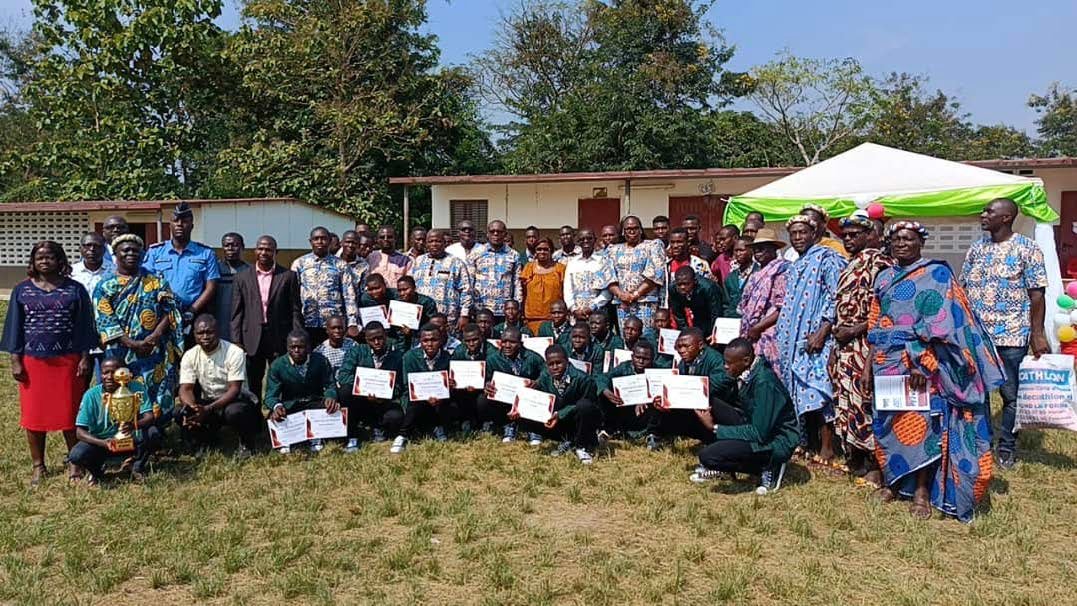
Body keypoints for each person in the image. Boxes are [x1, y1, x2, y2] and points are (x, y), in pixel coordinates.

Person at [866, 221, 1004, 522]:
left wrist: (922, 361)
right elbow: (875, 324)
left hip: (921, 365)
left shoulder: (937, 275)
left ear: (921, 242)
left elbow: (944, 326)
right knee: (889, 423)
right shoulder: (883, 277)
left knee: (923, 426)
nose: (902, 243)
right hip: (886, 362)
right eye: (896, 239)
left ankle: (922, 492)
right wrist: (868, 365)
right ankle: (894, 482)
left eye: (909, 239)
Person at [960, 198, 1049, 470]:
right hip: (977, 336)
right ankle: (983, 443)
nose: (983, 214)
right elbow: (963, 290)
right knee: (979, 393)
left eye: (989, 211)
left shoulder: (1027, 249)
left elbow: (1037, 295)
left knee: (1011, 395)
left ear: (1006, 217)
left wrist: (1038, 334)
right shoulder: (977, 249)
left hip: (1011, 334)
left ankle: (1007, 446)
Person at [2, 241, 97, 485]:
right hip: (33, 362)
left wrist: (85, 358)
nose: (44, 261)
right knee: (34, 416)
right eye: (39, 257)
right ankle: (38, 466)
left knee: (70, 415)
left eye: (50, 257)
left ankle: (75, 464)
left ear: (60, 261)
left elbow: (85, 327)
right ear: (33, 262)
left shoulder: (75, 290)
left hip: (68, 361)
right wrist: (15, 361)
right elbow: (14, 327)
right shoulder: (21, 291)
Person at [826, 212, 893, 485]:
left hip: (868, 345)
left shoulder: (880, 263)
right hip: (844, 347)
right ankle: (857, 459)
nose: (849, 239)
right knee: (847, 402)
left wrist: (854, 330)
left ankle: (877, 465)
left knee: (867, 402)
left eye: (855, 235)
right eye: (846, 235)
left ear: (870, 236)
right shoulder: (848, 265)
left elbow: (886, 311)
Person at [775, 215, 846, 465]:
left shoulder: (828, 258)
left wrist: (823, 330)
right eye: (793, 234)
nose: (797, 238)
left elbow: (836, 296)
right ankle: (807, 443)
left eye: (802, 233)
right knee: (800, 390)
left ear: (815, 233)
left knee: (819, 389)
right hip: (793, 339)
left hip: (816, 337)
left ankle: (828, 449)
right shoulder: (796, 264)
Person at [688, 338, 799, 494]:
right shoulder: (746, 372)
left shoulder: (764, 383)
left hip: (776, 440)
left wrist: (715, 428)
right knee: (707, 401)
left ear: (746, 361)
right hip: (754, 424)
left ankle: (769, 465)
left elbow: (759, 433)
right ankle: (726, 463)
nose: (725, 366)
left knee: (708, 457)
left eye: (728, 363)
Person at [94, 235, 184, 420]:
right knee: (123, 389)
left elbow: (171, 310)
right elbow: (104, 319)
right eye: (125, 250)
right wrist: (132, 343)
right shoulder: (105, 285)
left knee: (157, 390)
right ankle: (126, 432)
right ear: (116, 254)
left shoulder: (156, 281)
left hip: (155, 349)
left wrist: (155, 336)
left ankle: (157, 433)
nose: (131, 254)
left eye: (135, 250)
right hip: (121, 352)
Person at [176, 315, 263, 455]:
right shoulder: (189, 355)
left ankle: (247, 443)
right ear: (194, 335)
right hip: (208, 401)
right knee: (180, 412)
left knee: (235, 412)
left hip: (235, 400)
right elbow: (185, 388)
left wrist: (207, 409)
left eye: (209, 332)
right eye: (200, 333)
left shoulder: (235, 352)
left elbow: (234, 389)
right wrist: (193, 409)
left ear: (218, 332)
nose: (205, 336)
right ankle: (203, 441)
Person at [230, 235, 304, 399]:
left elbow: (295, 309)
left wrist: (297, 335)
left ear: (275, 252)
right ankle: (256, 421)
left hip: (279, 336)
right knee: (254, 382)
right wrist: (236, 341)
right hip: (251, 338)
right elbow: (236, 312)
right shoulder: (241, 277)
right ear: (255, 251)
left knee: (283, 379)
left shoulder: (288, 276)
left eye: (268, 249)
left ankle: (281, 417)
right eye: (261, 248)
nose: (264, 252)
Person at [69, 358, 161, 484]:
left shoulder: (136, 388)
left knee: (153, 433)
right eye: (105, 372)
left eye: (114, 372)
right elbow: (79, 432)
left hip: (129, 438)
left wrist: (133, 425)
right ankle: (97, 471)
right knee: (76, 455)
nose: (109, 377)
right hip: (102, 443)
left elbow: (149, 416)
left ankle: (136, 466)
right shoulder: (91, 395)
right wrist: (103, 442)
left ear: (124, 372)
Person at [143, 202, 220, 347]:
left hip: (192, 316)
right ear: (169, 225)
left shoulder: (205, 253)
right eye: (175, 221)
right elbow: (146, 283)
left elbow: (211, 287)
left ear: (192, 225)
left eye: (184, 221)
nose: (179, 224)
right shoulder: (155, 252)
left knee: (193, 359)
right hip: (161, 316)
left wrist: (191, 311)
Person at [521, 345, 602, 464]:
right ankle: (568, 441)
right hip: (558, 422)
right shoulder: (545, 377)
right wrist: (521, 410)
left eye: (558, 363)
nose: (555, 367)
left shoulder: (583, 379)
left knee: (584, 406)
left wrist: (561, 414)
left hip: (580, 421)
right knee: (524, 416)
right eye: (550, 364)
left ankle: (582, 446)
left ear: (567, 361)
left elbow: (591, 405)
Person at [264, 330, 339, 454]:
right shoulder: (278, 365)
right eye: (293, 347)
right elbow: (270, 396)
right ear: (287, 347)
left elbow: (330, 384)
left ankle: (317, 437)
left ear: (308, 347)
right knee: (274, 418)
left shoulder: (320, 361)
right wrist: (277, 406)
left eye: (301, 347)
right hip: (290, 405)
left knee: (334, 409)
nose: (297, 350)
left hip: (315, 403)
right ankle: (290, 440)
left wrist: (331, 397)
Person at [337, 322, 405, 445]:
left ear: (386, 336)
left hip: (384, 401)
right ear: (366, 339)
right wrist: (363, 388)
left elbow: (400, 385)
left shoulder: (397, 357)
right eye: (372, 339)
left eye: (380, 338)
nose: (377, 342)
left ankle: (379, 428)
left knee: (396, 417)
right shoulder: (357, 352)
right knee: (345, 391)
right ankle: (353, 432)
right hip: (362, 400)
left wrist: (385, 395)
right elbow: (343, 375)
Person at [291, 226, 360, 345]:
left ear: (329, 241)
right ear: (310, 241)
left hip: (333, 324)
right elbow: (292, 295)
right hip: (307, 322)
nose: (320, 242)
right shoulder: (299, 264)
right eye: (316, 239)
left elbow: (349, 295)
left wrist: (352, 322)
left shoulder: (341, 265)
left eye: (323, 239)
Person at [394, 324, 456, 453]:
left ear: (441, 341)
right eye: (425, 340)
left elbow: (450, 385)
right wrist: (424, 396)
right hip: (417, 400)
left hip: (440, 401)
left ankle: (438, 428)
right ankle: (402, 435)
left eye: (434, 340)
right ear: (420, 341)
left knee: (449, 404)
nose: (430, 344)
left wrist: (450, 386)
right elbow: (407, 385)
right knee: (414, 404)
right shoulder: (409, 357)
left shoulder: (448, 358)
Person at [479, 326, 545, 441]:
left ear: (520, 343)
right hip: (504, 400)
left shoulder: (533, 357)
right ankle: (507, 425)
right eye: (504, 341)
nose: (507, 345)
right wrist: (487, 385)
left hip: (527, 400)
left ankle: (533, 428)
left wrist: (537, 382)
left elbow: (546, 373)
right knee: (482, 400)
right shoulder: (493, 359)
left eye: (512, 342)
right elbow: (486, 379)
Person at [738, 229, 789, 374]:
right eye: (755, 250)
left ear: (773, 249)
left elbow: (782, 307)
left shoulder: (781, 271)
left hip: (770, 329)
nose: (758, 253)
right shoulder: (757, 274)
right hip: (753, 331)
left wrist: (758, 327)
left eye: (762, 249)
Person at [596, 340, 664, 447]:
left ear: (652, 359)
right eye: (638, 357)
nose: (641, 361)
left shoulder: (659, 371)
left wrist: (646, 398)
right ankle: (609, 429)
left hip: (647, 413)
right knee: (603, 394)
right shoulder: (624, 367)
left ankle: (652, 434)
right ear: (632, 357)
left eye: (645, 359)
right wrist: (605, 390)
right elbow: (602, 378)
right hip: (626, 410)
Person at [607, 215, 666, 333]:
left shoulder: (652, 246)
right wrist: (620, 294)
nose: (632, 231)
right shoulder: (613, 250)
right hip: (623, 303)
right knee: (627, 338)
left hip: (646, 302)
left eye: (635, 228)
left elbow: (656, 273)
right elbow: (608, 275)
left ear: (641, 230)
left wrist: (636, 294)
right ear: (623, 232)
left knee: (646, 337)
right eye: (628, 229)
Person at [409, 228, 473, 334]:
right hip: (422, 318)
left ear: (444, 243)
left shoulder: (456, 263)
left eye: (438, 241)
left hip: (448, 319)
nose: (434, 244)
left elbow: (466, 290)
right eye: (431, 241)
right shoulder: (418, 261)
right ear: (426, 243)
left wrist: (464, 315)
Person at [470, 220, 523, 323]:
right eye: (492, 231)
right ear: (487, 234)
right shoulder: (476, 253)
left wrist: (517, 307)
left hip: (505, 311)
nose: (495, 234)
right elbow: (469, 282)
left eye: (499, 231)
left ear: (505, 234)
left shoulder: (513, 255)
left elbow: (517, 283)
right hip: (481, 310)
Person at [71, 233, 109, 370]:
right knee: (80, 381)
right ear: (80, 249)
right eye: (87, 246)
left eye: (97, 246)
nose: (92, 250)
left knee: (108, 382)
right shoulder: (70, 273)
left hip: (107, 337)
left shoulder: (114, 271)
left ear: (104, 249)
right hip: (78, 336)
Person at [563, 228, 615, 324]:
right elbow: (567, 289)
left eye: (589, 238)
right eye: (582, 239)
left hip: (598, 313)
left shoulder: (603, 261)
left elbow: (607, 290)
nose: (585, 241)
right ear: (578, 242)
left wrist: (593, 306)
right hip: (576, 314)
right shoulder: (572, 263)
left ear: (595, 240)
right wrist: (574, 309)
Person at [450, 323, 493, 429]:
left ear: (481, 337)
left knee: (483, 399)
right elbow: (453, 371)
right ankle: (465, 419)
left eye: (475, 340)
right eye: (467, 341)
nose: (471, 343)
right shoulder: (459, 351)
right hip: (464, 389)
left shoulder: (492, 352)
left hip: (484, 390)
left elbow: (495, 375)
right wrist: (453, 382)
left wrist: (486, 383)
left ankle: (485, 420)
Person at [520, 238, 566, 334]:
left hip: (555, 319)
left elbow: (565, 292)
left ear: (551, 251)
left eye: (546, 249)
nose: (542, 252)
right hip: (532, 319)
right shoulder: (528, 268)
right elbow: (522, 292)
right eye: (539, 249)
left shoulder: (560, 269)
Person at [669, 267, 726, 340]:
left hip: (715, 311)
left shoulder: (708, 287)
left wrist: (714, 332)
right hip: (697, 314)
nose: (682, 287)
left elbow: (716, 312)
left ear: (694, 281)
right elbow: (678, 313)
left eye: (686, 284)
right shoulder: (673, 288)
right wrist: (686, 332)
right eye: (679, 284)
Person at [665, 227, 714, 311]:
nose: (675, 246)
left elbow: (708, 291)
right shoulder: (665, 265)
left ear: (687, 242)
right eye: (673, 242)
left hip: (698, 312)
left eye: (679, 242)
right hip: (674, 312)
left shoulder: (700, 264)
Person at [214, 232, 248, 343]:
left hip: (243, 322)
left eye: (234, 245)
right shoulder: (215, 270)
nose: (230, 248)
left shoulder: (250, 271)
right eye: (226, 245)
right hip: (220, 319)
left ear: (242, 247)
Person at [396, 275, 439, 343]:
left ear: (414, 288)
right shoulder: (397, 304)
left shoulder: (427, 302)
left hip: (423, 338)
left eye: (405, 289)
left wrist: (413, 331)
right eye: (399, 290)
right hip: (403, 339)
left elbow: (433, 325)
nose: (402, 293)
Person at [723, 236, 758, 318]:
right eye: (736, 250)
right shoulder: (730, 278)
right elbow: (726, 304)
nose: (738, 254)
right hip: (732, 322)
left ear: (751, 251)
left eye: (741, 250)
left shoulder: (759, 274)